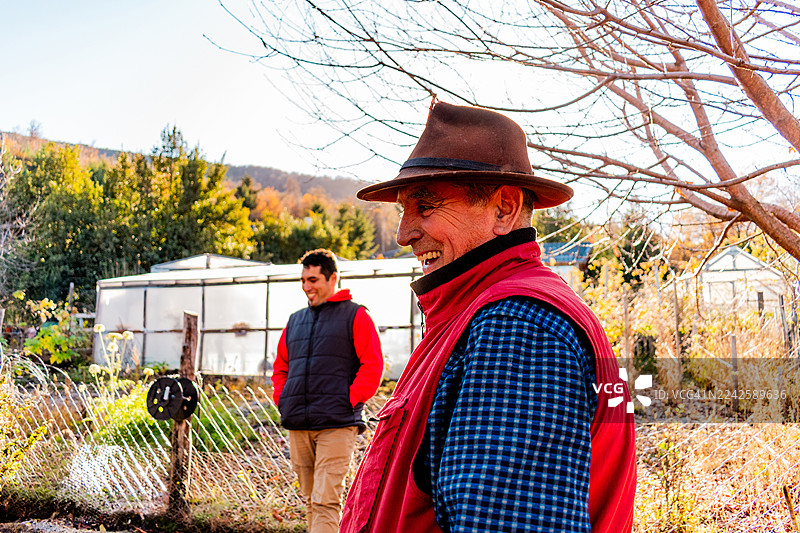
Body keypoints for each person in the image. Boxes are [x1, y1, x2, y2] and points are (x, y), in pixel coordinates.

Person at [341, 100, 636, 533]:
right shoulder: (483, 311)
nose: (404, 233)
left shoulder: (518, 324)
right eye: (402, 211)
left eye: (425, 206)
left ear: (504, 209)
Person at [272, 249, 384, 533]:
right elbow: (280, 368)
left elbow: (372, 365)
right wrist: (283, 401)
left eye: (313, 279)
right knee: (311, 499)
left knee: (325, 500)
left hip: (337, 424)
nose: (307, 286)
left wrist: (348, 399)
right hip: (298, 424)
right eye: (303, 280)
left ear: (333, 278)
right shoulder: (295, 321)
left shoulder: (356, 315)